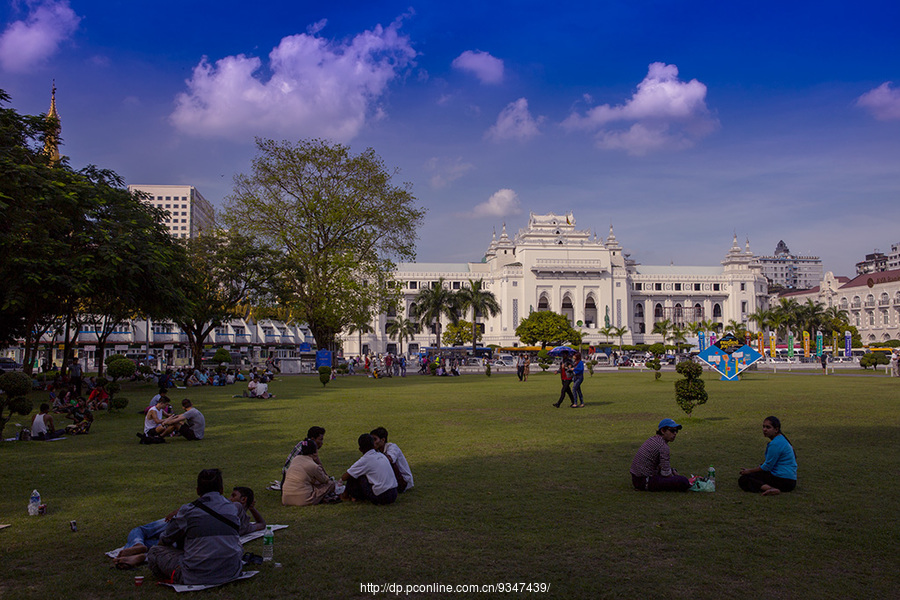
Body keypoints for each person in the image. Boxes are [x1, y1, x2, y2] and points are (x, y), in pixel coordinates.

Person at [113, 485, 265, 569]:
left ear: (242, 499)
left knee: (139, 530)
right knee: (156, 543)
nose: (229, 498)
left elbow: (202, 508)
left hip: (184, 523)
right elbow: (262, 525)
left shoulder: (232, 507)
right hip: (190, 544)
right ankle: (143, 552)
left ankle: (138, 545)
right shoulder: (244, 525)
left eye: (233, 495)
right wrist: (252, 508)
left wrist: (179, 511)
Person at [142, 469, 244, 585]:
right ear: (221, 490)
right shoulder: (232, 509)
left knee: (155, 551)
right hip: (231, 571)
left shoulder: (188, 510)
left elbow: (166, 539)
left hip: (195, 575)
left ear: (198, 490)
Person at [738, 416, 797, 496]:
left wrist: (749, 471)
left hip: (783, 481)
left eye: (768, 427)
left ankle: (770, 489)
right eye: (764, 427)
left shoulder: (775, 444)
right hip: (790, 480)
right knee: (753, 475)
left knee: (744, 479)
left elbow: (767, 467)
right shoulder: (781, 439)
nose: (764, 430)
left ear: (776, 429)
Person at [630, 418, 691, 492]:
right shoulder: (663, 446)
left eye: (676, 431)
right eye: (672, 431)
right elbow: (666, 473)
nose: (675, 433)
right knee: (683, 481)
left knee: (673, 472)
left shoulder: (653, 439)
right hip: (645, 481)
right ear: (662, 431)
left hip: (636, 479)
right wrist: (674, 477)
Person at [340, 433, 398, 505]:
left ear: (360, 449)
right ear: (374, 445)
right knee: (358, 473)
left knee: (353, 475)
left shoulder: (365, 460)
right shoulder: (382, 455)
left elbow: (345, 477)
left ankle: (346, 496)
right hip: (394, 493)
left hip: (382, 496)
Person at [281, 438, 337, 506]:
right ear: (315, 452)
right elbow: (325, 480)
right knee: (331, 484)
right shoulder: (314, 466)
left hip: (286, 499)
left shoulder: (296, 459)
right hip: (303, 500)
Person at [370, 427, 413, 493]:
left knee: (386, 463)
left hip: (403, 480)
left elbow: (390, 460)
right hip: (391, 480)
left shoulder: (392, 447)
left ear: (383, 440)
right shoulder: (376, 450)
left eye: (375, 439)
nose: (373, 442)